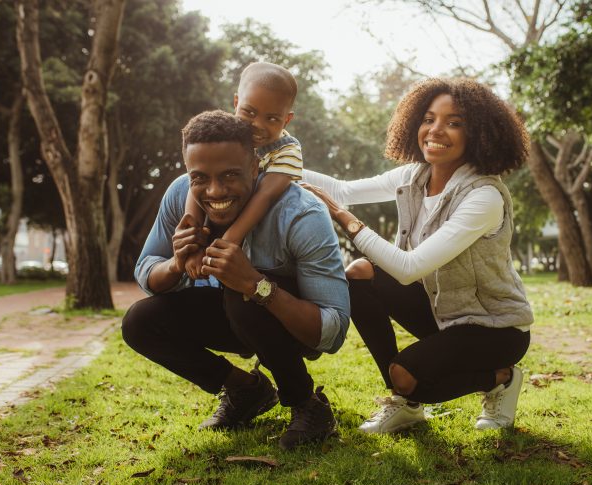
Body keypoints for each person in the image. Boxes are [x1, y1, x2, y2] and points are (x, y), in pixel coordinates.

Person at [302, 77, 533, 434]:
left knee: (407, 375)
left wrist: (347, 221)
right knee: (360, 273)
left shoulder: (483, 197)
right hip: (443, 310)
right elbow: (342, 190)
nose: (435, 130)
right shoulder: (414, 176)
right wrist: (270, 162)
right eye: (428, 118)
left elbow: (409, 269)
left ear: (481, 134)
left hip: (495, 328)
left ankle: (499, 377)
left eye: (454, 122)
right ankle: (404, 404)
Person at [122, 110, 350, 450]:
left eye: (230, 175)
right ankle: (247, 390)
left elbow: (332, 331)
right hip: (230, 315)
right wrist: (176, 265)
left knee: (240, 296)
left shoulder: (302, 213)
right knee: (140, 321)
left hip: (290, 324)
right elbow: (146, 271)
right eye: (199, 178)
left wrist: (257, 285)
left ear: (256, 168)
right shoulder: (179, 195)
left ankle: (308, 405)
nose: (215, 190)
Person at [183, 62, 303, 279]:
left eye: (272, 118)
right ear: (236, 102)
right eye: (249, 112)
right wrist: (193, 244)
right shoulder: (223, 136)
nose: (257, 124)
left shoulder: (288, 151)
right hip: (216, 219)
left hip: (260, 240)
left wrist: (225, 245)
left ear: (287, 119)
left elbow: (264, 197)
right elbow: (196, 186)